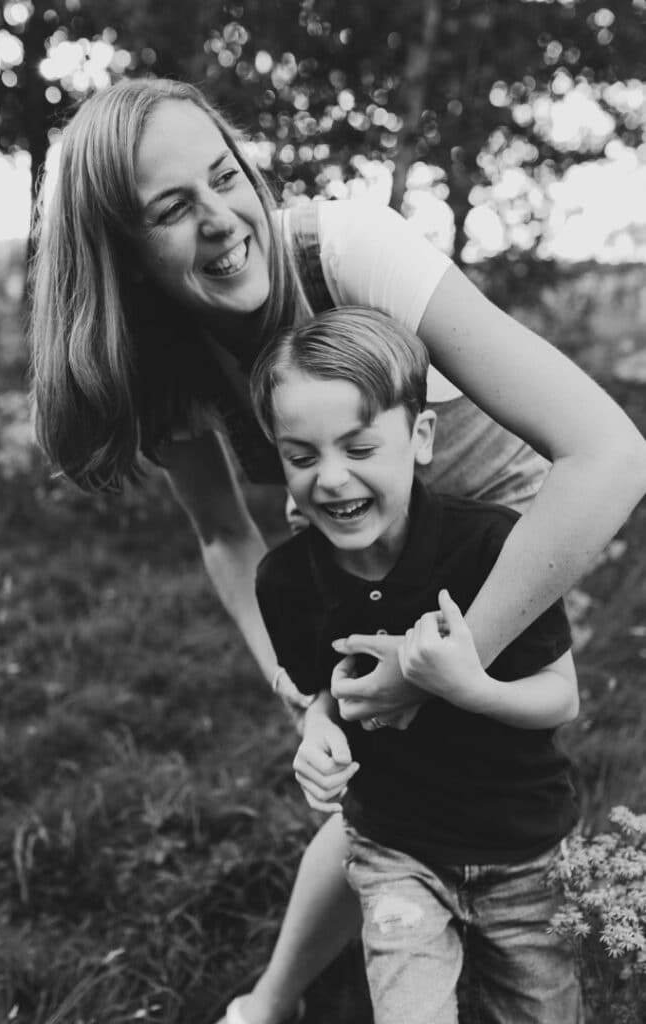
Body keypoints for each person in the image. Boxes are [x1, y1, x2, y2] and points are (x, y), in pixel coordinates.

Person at [27, 77, 646, 1024]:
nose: (224, 219)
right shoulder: (158, 361)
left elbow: (609, 457)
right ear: (120, 248)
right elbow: (225, 537)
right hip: (354, 537)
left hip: (500, 534)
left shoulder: (347, 249)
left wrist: (441, 667)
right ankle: (275, 1003)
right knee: (376, 789)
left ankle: (436, 968)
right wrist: (296, 686)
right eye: (171, 209)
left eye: (225, 176)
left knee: (468, 770)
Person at [252, 307, 582, 1024]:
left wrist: (467, 687)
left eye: (359, 448)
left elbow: (559, 700)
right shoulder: (285, 581)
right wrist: (315, 733)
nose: (332, 480)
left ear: (420, 436)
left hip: (525, 852)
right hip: (395, 849)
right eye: (302, 457)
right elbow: (321, 697)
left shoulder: (492, 546)